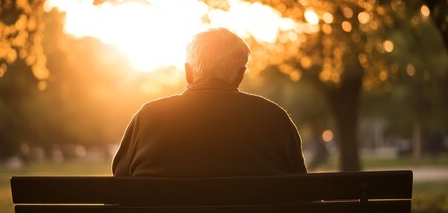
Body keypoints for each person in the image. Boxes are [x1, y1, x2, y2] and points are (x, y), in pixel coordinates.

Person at [112, 28, 307, 177]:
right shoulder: (273, 117)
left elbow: (118, 192)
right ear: (240, 75)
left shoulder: (148, 116)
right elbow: (303, 192)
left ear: (188, 72)